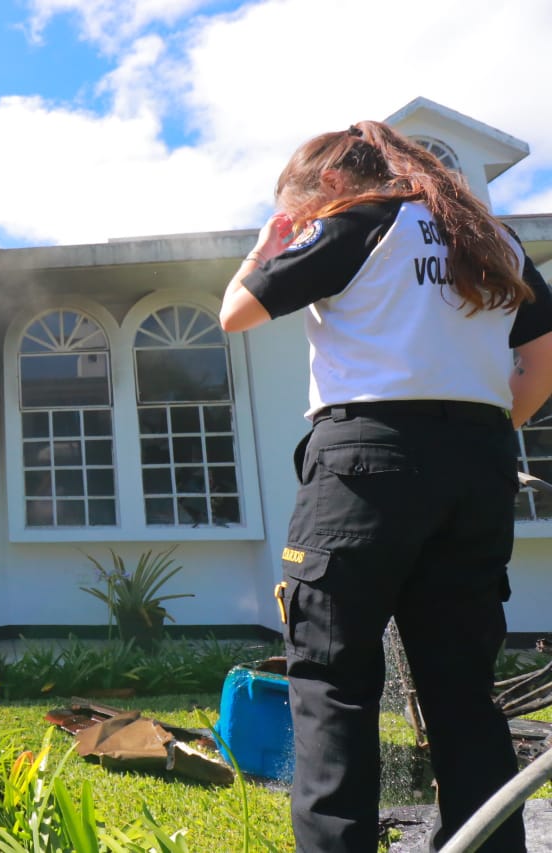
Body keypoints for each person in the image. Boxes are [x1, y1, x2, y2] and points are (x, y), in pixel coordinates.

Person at [220, 121, 552, 852]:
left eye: (303, 206)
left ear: (331, 185)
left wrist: (272, 240)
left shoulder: (357, 223)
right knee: (463, 693)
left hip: (365, 470)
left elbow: (236, 311)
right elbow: (542, 358)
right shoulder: (489, 237)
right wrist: (482, 435)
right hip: (479, 465)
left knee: (333, 686)